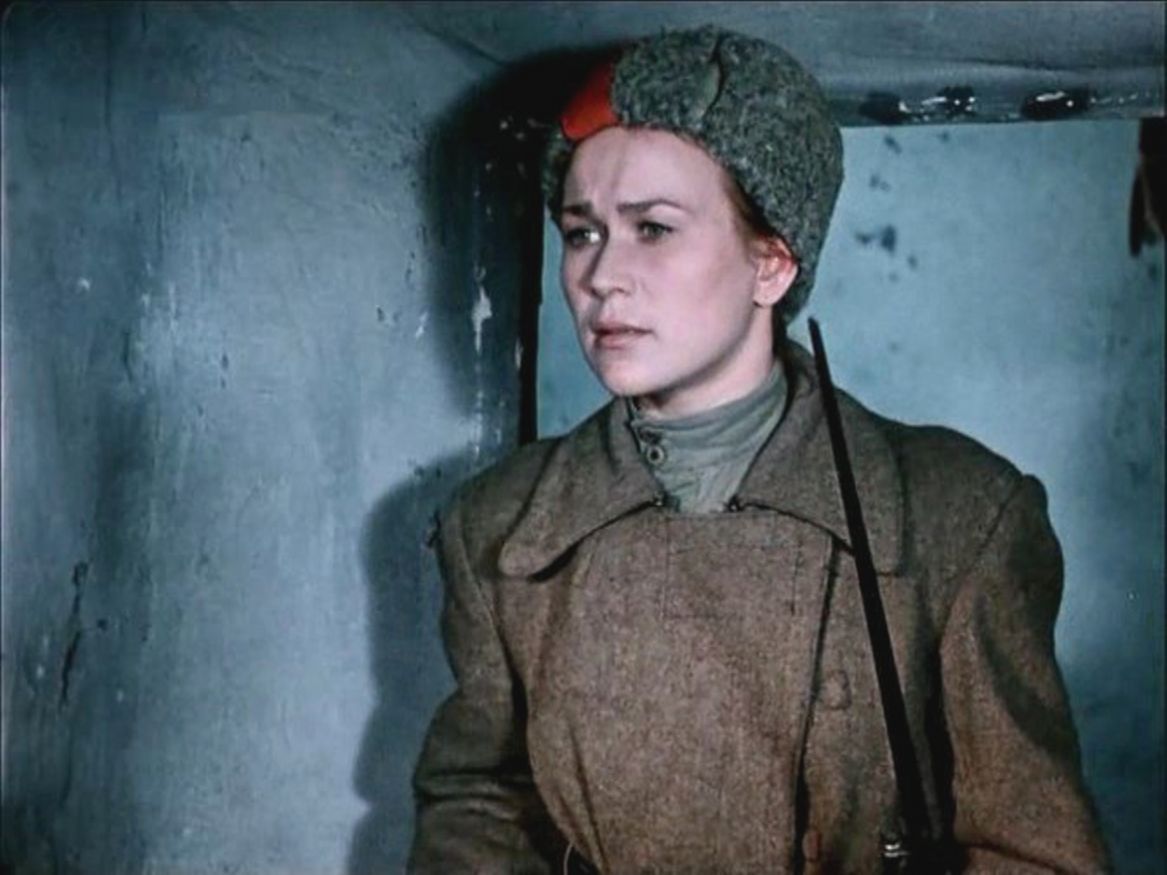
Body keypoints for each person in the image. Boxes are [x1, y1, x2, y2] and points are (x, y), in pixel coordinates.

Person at [408, 25, 1111, 874]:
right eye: (582, 232)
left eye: (652, 228)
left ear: (771, 264)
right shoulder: (496, 526)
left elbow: (1033, 851)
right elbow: (478, 801)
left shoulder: (959, 518)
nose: (600, 278)